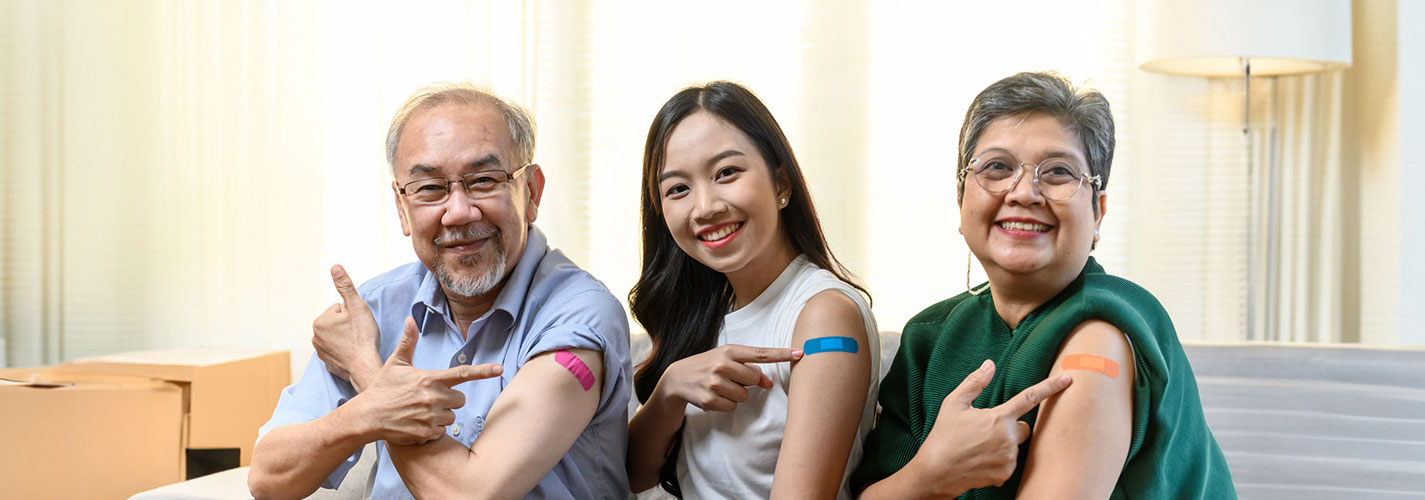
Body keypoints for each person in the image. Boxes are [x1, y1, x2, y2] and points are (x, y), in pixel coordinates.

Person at [850, 71, 1237, 499]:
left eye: (1057, 173)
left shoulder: (1102, 336)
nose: (1024, 193)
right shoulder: (930, 335)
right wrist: (934, 471)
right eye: (997, 167)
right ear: (961, 198)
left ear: (1098, 213)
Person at [247, 81, 632, 500]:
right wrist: (364, 411)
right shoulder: (375, 308)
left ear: (532, 192)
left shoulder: (580, 312)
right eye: (430, 188)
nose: (459, 211)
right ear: (402, 208)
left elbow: (469, 494)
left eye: (484, 180)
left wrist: (364, 368)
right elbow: (269, 479)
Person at [626, 80, 874, 499]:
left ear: (781, 184)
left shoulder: (824, 314)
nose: (705, 207)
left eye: (727, 173)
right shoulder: (707, 312)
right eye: (678, 189)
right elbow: (633, 475)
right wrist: (668, 390)